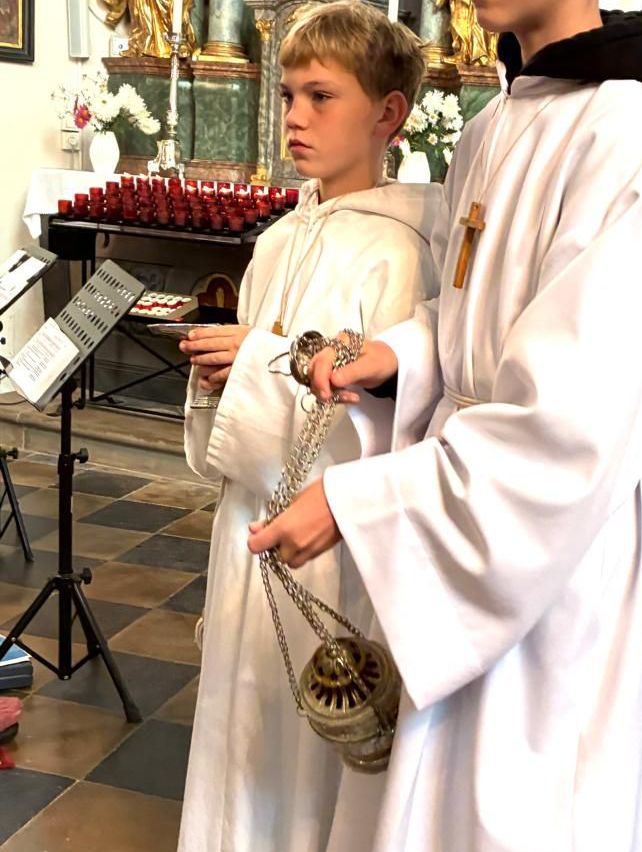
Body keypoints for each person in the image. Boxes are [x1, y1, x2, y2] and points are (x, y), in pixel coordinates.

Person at [247, 2, 642, 850]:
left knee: (528, 806)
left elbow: (569, 415)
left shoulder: (633, 135)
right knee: (430, 799)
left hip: (552, 520)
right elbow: (473, 317)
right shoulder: (488, 128)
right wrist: (396, 354)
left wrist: (359, 503)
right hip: (465, 480)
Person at [177, 3, 440, 850]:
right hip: (246, 524)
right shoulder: (279, 239)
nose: (293, 115)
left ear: (387, 113)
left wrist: (256, 361)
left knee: (304, 758)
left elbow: (382, 423)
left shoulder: (399, 249)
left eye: (321, 96)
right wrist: (221, 375)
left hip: (329, 542)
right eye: (288, 94)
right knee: (242, 719)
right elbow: (251, 402)